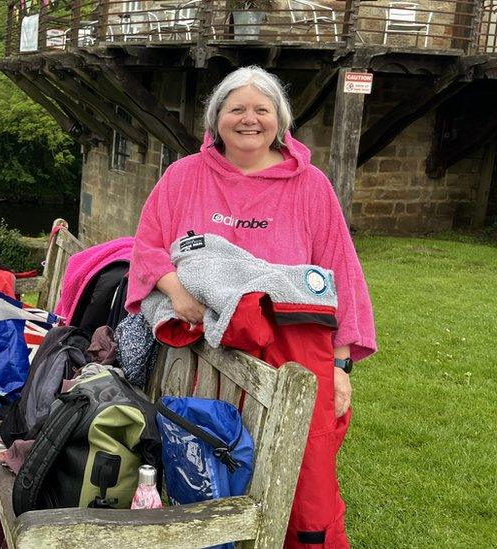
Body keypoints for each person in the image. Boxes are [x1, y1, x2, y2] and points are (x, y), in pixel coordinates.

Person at [127, 65, 376, 548]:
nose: (249, 119)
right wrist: (178, 292)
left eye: (262, 109)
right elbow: (147, 246)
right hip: (202, 363)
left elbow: (338, 273)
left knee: (298, 475)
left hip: (290, 358)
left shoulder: (312, 187)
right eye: (236, 108)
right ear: (216, 117)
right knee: (208, 469)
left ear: (279, 120)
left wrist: (341, 365)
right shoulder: (183, 176)